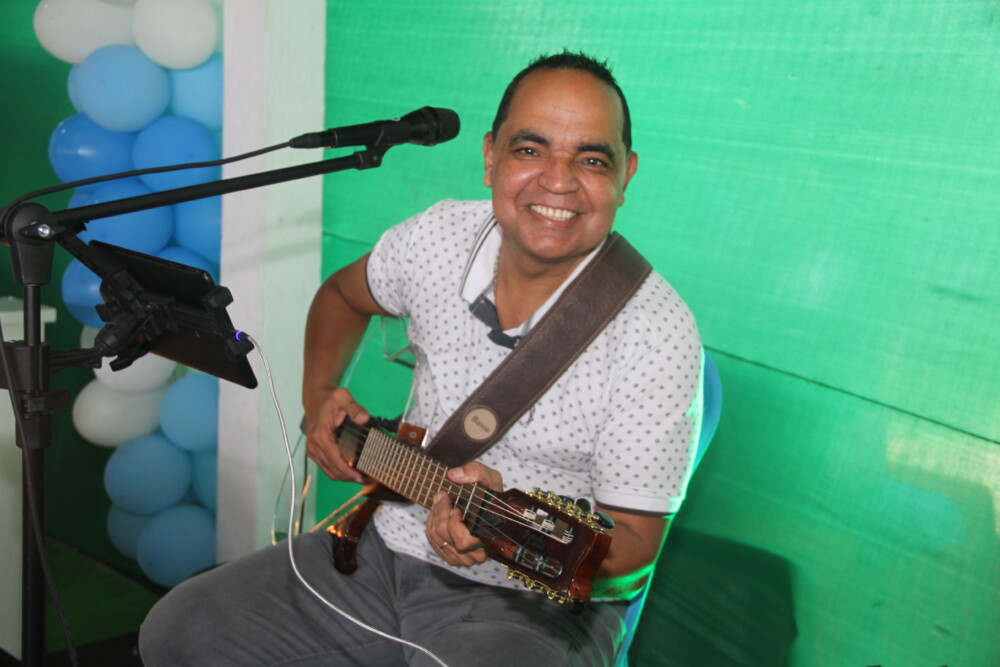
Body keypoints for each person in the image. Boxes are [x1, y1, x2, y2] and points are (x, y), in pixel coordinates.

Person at [139, 51, 702, 667]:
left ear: (626, 175)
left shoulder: (656, 332)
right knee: (179, 631)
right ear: (490, 156)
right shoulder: (436, 239)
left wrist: (499, 532)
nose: (559, 181)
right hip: (381, 546)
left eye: (592, 160)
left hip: (533, 607)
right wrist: (318, 393)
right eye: (529, 149)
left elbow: (634, 550)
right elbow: (341, 297)